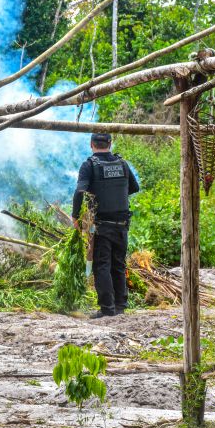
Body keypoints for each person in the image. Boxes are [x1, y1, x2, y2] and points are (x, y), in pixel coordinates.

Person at [72, 132, 140, 319]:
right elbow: (135, 188)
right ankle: (120, 307)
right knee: (118, 264)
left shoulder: (89, 165)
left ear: (91, 144)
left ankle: (107, 309)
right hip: (122, 224)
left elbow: (80, 192)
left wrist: (75, 215)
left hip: (102, 225)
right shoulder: (122, 164)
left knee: (102, 265)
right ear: (110, 143)